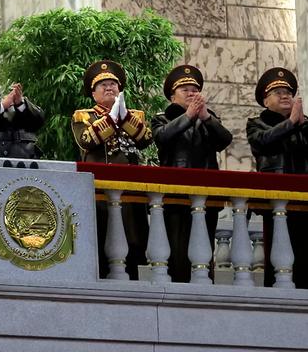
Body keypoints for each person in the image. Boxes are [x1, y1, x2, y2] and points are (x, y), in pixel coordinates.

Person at [71, 59, 152, 279]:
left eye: (113, 84)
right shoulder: (84, 116)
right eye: (103, 85)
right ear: (93, 93)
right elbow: (86, 140)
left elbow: (145, 139)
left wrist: (124, 117)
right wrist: (111, 119)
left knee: (134, 237)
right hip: (99, 189)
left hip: (130, 189)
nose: (109, 88)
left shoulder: (134, 116)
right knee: (101, 235)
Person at [151, 64, 232, 283]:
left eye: (195, 90)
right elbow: (162, 137)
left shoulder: (209, 119)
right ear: (172, 96)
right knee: (178, 249)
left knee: (204, 248)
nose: (191, 93)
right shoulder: (163, 118)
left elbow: (225, 140)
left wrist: (205, 117)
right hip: (176, 196)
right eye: (185, 89)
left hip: (206, 195)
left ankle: (205, 287)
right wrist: (187, 116)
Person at [247, 67, 308, 289]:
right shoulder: (257, 123)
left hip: (304, 199)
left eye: (288, 93)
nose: (285, 96)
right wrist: (290, 123)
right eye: (278, 93)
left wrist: (300, 123)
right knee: (277, 252)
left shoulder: (304, 124)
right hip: (275, 200)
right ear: (265, 101)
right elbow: (263, 141)